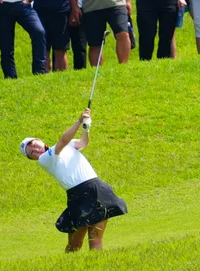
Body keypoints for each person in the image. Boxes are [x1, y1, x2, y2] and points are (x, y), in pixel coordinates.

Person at [20, 108, 127, 252]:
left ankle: (98, 264)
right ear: (33, 158)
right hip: (78, 195)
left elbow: (83, 143)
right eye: (31, 153)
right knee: (74, 244)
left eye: (33, 145)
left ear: (39, 140)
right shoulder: (44, 159)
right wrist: (79, 121)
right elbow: (63, 141)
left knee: (95, 239)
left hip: (96, 188)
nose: (35, 150)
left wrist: (86, 127)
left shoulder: (67, 145)